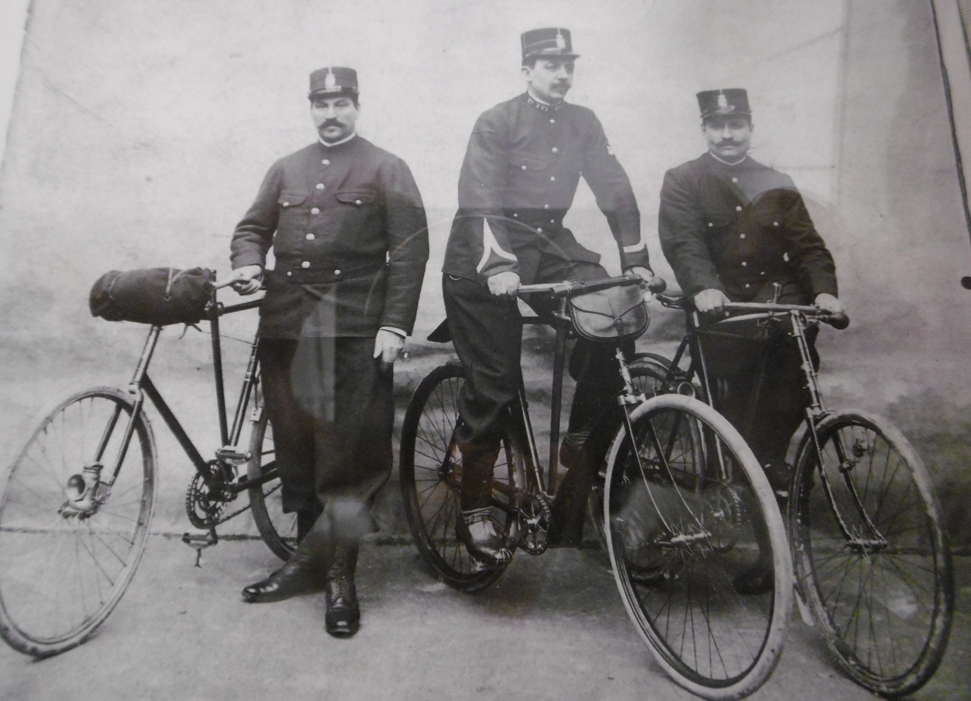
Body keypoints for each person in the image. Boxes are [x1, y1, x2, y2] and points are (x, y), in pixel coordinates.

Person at [218, 66, 428, 636]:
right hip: (287, 327)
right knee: (298, 449)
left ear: (357, 105)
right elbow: (250, 230)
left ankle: (340, 576)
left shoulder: (387, 167)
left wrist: (394, 326)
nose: (330, 113)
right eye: (321, 104)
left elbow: (409, 253)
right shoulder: (286, 168)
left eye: (340, 103)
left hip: (355, 331)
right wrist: (244, 264)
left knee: (347, 457)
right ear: (310, 108)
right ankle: (304, 566)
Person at [442, 28, 653, 564]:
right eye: (548, 64)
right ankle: (473, 507)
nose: (561, 73)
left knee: (613, 310)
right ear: (527, 69)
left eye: (567, 65)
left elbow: (615, 188)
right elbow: (480, 196)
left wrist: (636, 262)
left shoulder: (583, 121)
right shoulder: (497, 120)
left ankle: (580, 445)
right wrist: (499, 266)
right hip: (483, 251)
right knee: (494, 382)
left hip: (547, 240)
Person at [658, 88, 842, 593]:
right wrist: (705, 288)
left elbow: (808, 246)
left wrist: (824, 292)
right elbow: (683, 242)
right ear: (704, 129)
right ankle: (727, 525)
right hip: (724, 323)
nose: (728, 133)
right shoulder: (684, 180)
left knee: (775, 440)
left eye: (737, 123)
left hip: (780, 325)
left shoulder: (775, 182)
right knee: (738, 436)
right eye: (717, 125)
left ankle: (772, 553)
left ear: (751, 126)